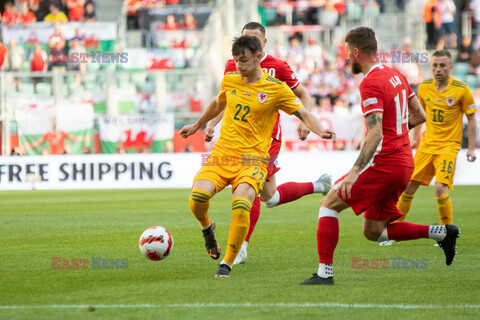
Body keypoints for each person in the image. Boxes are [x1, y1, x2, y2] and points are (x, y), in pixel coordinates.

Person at [299, 27, 460, 286]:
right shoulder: (396, 74)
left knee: (328, 204)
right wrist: (396, 131)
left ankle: (324, 274)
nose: (346, 59)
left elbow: (375, 133)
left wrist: (353, 172)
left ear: (355, 52)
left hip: (384, 162)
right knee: (373, 231)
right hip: (405, 162)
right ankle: (442, 233)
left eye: (347, 52)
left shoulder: (370, 82)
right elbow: (420, 116)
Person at [180, 35, 336, 278]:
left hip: (253, 160)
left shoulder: (276, 88)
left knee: (242, 204)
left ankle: (227, 264)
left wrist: (320, 130)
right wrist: (198, 125)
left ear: (258, 56)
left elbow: (304, 113)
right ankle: (207, 227)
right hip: (223, 154)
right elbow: (218, 103)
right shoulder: (231, 79)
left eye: (243, 60)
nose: (239, 66)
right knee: (197, 198)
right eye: (236, 61)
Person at [378, 50, 477, 247]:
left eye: (442, 65)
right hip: (427, 145)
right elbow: (418, 115)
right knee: (407, 186)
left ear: (450, 67)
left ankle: (447, 234)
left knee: (440, 188)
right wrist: (414, 139)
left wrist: (471, 148)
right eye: (435, 65)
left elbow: (471, 118)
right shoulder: (424, 88)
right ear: (430, 67)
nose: (438, 69)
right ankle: (395, 232)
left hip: (449, 146)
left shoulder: (461, 89)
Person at [21, 117, 90, 155]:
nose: (53, 122)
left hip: (63, 156)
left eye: (54, 121)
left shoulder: (61, 132)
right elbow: (37, 143)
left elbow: (73, 138)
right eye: (52, 121)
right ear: (50, 122)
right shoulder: (48, 134)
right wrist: (26, 146)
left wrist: (84, 138)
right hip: (53, 157)